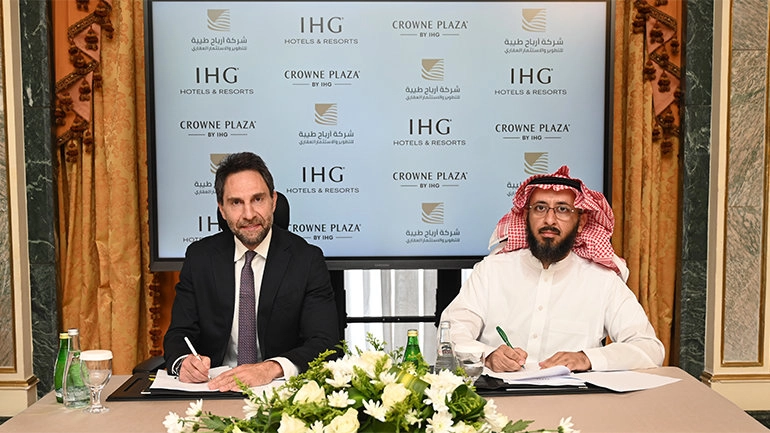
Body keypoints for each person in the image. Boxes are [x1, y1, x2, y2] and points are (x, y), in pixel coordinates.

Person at [440, 165, 665, 372]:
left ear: (581, 222)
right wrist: (487, 356)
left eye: (563, 209)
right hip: (499, 397)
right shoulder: (492, 271)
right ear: (526, 216)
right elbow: (450, 333)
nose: (550, 219)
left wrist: (587, 358)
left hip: (573, 399)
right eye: (540, 208)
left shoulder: (603, 281)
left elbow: (650, 349)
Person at [163, 152, 339, 391]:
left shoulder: (306, 260)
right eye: (236, 202)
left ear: (273, 201)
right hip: (215, 389)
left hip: (278, 390)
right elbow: (179, 334)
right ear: (222, 210)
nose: (248, 214)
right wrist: (184, 362)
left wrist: (270, 368)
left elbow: (325, 342)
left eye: (258, 199)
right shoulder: (200, 258)